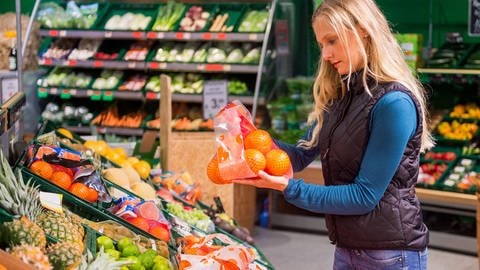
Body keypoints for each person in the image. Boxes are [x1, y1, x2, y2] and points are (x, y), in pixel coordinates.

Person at [233, 0, 434, 269]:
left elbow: (364, 196)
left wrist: (289, 188)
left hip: (391, 255)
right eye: (321, 45)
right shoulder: (342, 97)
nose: (325, 54)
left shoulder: (394, 104)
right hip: (347, 248)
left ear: (362, 30)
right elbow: (300, 155)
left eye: (332, 41)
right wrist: (250, 139)